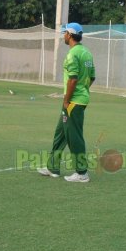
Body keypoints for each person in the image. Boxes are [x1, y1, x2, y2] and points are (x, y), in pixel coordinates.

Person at [38, 22, 95, 182]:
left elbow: (72, 80)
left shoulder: (72, 55)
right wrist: (83, 91)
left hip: (73, 103)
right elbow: (92, 77)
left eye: (65, 33)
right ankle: (53, 168)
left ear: (70, 35)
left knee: (74, 137)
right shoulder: (87, 53)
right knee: (60, 135)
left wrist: (66, 100)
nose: (64, 35)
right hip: (79, 99)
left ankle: (82, 173)